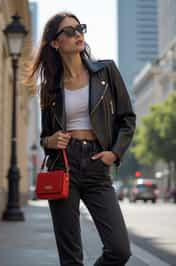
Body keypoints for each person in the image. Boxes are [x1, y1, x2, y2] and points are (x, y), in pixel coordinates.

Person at [28, 11, 136, 266]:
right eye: (69, 31)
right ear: (55, 43)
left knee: (119, 250)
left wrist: (115, 153)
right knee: (71, 257)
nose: (78, 34)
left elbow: (127, 118)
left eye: (80, 29)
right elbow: (45, 136)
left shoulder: (106, 72)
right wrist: (49, 141)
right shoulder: (50, 87)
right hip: (63, 165)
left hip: (98, 162)